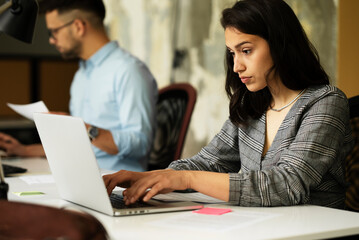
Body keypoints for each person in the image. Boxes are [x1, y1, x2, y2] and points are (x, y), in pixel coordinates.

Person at [103, 0, 354, 209]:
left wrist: (186, 177)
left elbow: (286, 185)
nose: (236, 66)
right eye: (232, 53)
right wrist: (147, 178)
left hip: (316, 230)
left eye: (246, 50)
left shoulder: (326, 102)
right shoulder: (252, 104)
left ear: (280, 44)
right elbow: (208, 162)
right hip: (260, 226)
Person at [0, 0, 157, 172]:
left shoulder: (129, 71)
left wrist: (85, 129)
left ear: (78, 27)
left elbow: (140, 144)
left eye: (54, 31)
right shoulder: (81, 75)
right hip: (79, 174)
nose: (51, 40)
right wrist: (24, 150)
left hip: (115, 184)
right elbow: (78, 145)